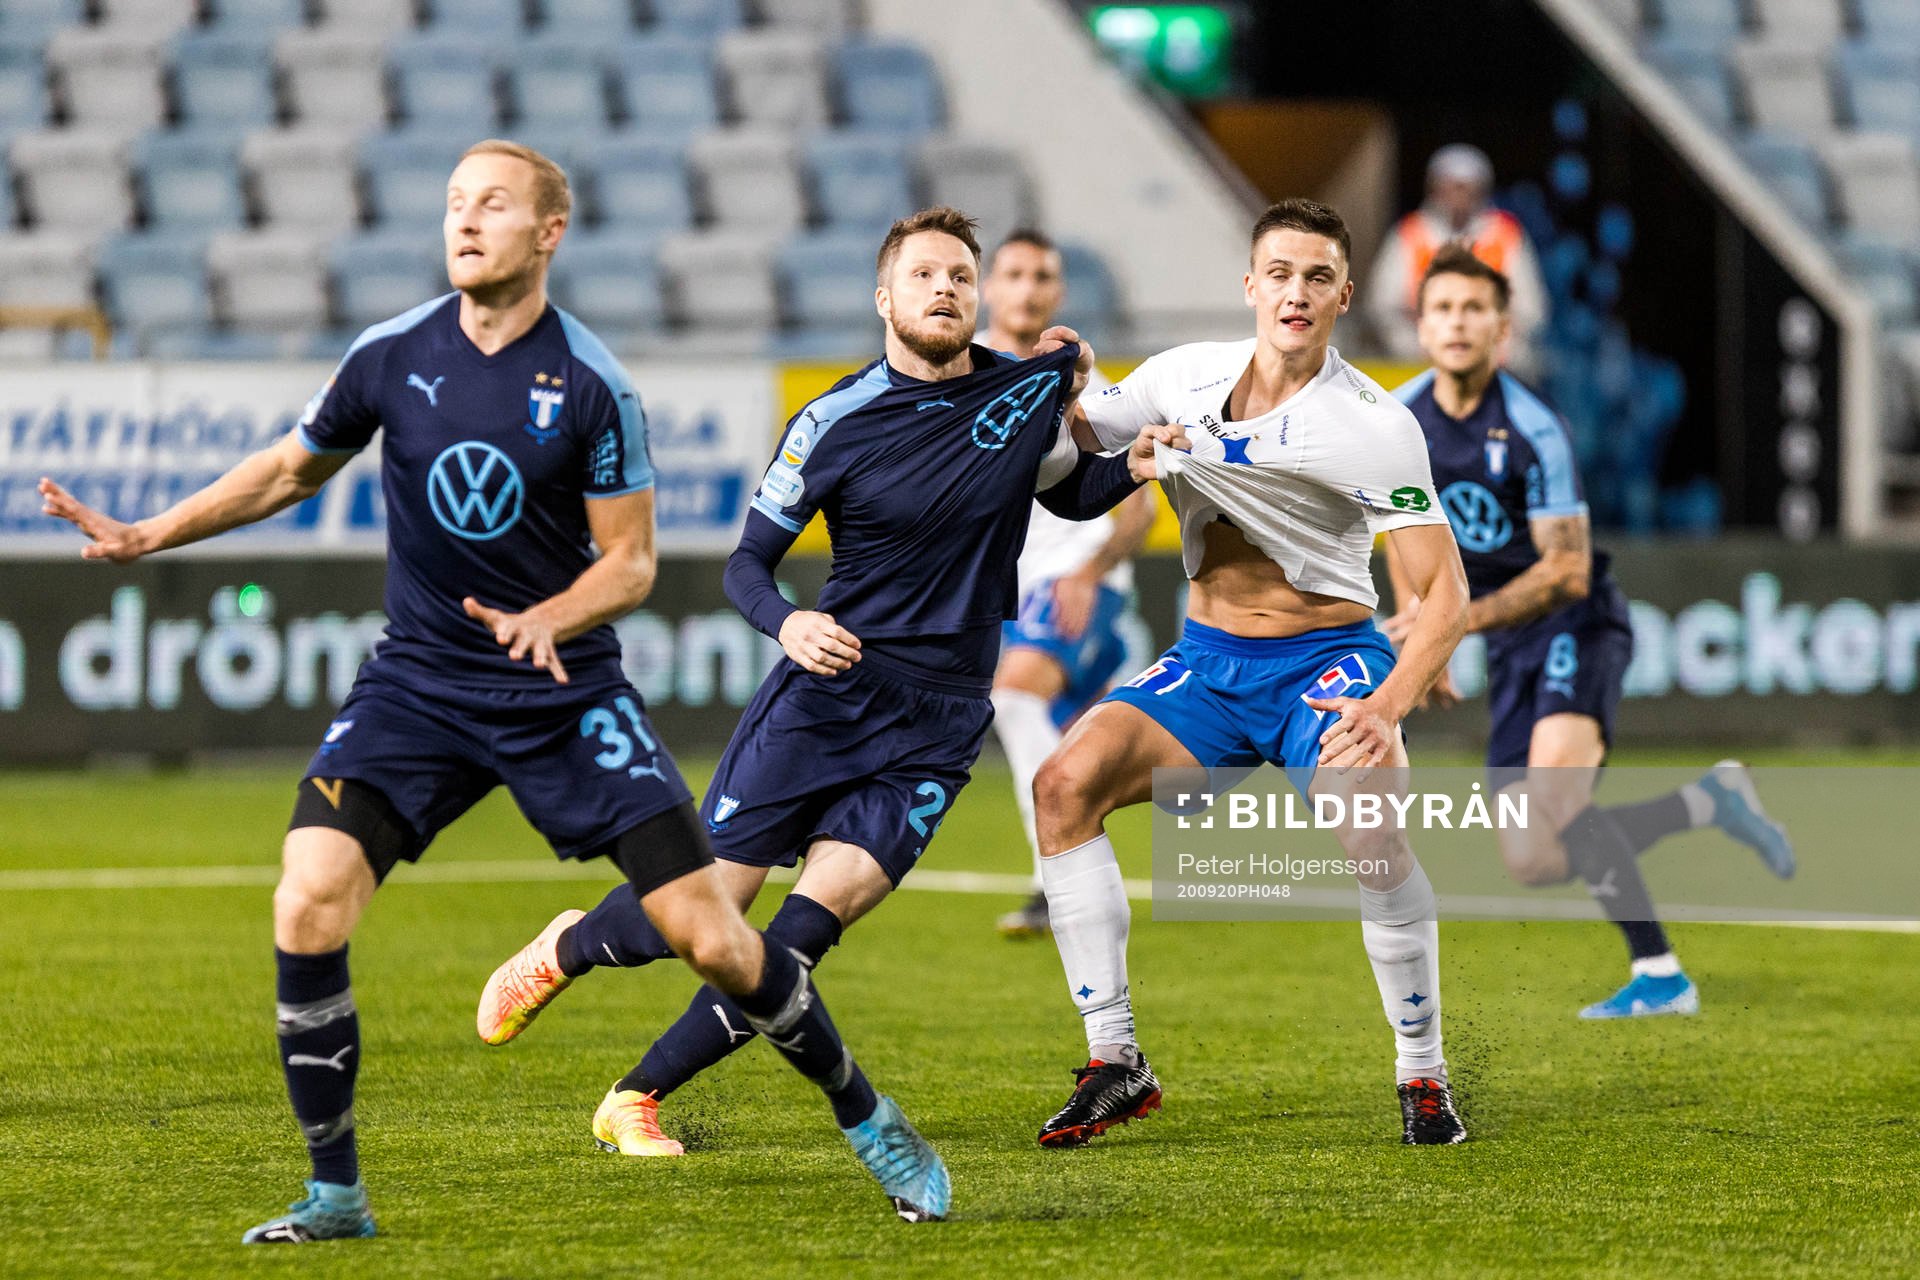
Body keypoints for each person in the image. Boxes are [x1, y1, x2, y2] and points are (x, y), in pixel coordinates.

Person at [39, 140, 948, 1237]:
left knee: (711, 935)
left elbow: (631, 563)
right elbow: (289, 468)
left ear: (548, 232)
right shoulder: (392, 354)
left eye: (495, 205)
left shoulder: (595, 384)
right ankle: (336, 1193)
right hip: (418, 685)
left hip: (564, 690)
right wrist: (149, 532)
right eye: (456, 204)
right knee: (308, 896)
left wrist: (549, 616)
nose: (466, 223)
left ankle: (869, 1113)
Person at [475, 207, 1165, 1159]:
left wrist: (1127, 466)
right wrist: (791, 622)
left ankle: (635, 1098)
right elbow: (746, 564)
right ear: (885, 297)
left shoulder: (1023, 394)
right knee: (701, 915)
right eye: (924, 275)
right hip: (827, 699)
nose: (945, 290)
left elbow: (1066, 492)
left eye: (960, 276)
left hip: (942, 717)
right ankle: (566, 948)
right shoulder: (832, 418)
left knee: (804, 934)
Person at [1028, 198, 1472, 1149]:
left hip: (1329, 660)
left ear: (1346, 296)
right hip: (1209, 664)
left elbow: (1443, 598)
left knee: (1370, 830)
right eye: (1280, 273)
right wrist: (1063, 387)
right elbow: (1074, 458)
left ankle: (1423, 1075)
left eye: (1318, 277)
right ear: (1251, 285)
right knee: (1062, 785)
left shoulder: (1375, 426)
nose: (1296, 294)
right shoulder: (1181, 377)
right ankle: (1116, 1064)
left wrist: (1388, 704)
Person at [1387, 245, 1793, 1019]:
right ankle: (1710, 802)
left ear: (1503, 329)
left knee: (1558, 805)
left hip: (1575, 622)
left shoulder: (1535, 427)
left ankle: (1661, 974)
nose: (1458, 322)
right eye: (1442, 308)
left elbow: (1565, 572)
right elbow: (1405, 530)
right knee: (1533, 857)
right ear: (1420, 325)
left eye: (1475, 309)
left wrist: (1448, 624)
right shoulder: (1400, 418)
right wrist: (1424, 634)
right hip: (1504, 642)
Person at [979, 228, 1156, 938]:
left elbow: (1138, 507)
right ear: (990, 287)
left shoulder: (1086, 385)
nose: (1027, 288)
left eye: (1041, 276)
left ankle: (1049, 882)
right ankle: (1078, 874)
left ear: (1057, 292)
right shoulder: (967, 378)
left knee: (1014, 700)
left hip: (1072, 587)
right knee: (1070, 762)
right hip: (1004, 593)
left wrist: (1088, 572)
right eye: (1014, 274)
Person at [1366, 144, 1547, 374]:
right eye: (1452, 187)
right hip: (1421, 361)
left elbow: (1531, 309)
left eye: (1467, 188)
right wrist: (1419, 348)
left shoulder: (1505, 234)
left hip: (1496, 365)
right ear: (1435, 188)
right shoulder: (1411, 233)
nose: (1459, 197)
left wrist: (1493, 347)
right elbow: (1384, 306)